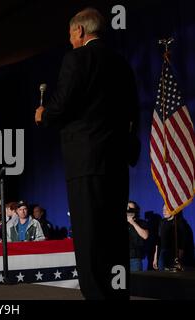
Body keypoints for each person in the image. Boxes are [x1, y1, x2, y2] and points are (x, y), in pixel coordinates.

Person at [35, 8, 140, 299]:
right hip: (116, 161)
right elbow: (133, 112)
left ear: (80, 30)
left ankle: (97, 296)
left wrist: (44, 114)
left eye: (70, 34)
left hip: (86, 161)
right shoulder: (121, 64)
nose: (70, 40)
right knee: (114, 234)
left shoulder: (77, 58)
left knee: (89, 235)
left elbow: (62, 104)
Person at [126, 201, 149, 272]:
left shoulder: (142, 222)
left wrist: (132, 222)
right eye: (128, 208)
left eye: (131, 209)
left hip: (135, 259)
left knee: (135, 281)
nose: (129, 210)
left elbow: (145, 236)